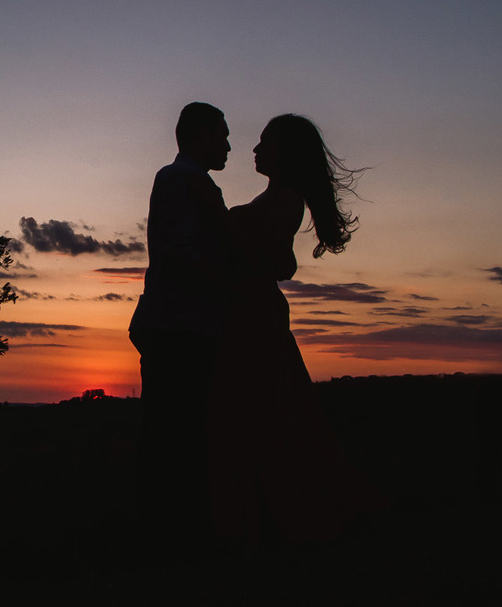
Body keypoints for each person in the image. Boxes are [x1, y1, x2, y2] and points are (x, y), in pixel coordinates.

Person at [206, 113, 378, 546]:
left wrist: (221, 220)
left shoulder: (285, 200)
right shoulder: (274, 198)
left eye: (265, 142)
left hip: (256, 316)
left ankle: (288, 518)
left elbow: (268, 259)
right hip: (244, 312)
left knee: (271, 414)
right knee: (263, 414)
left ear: (286, 152)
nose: (255, 149)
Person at [128, 101, 235, 553]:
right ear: (202, 134)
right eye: (223, 134)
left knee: (186, 435)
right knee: (174, 438)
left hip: (188, 327)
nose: (229, 145)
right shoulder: (178, 179)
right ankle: (169, 540)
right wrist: (229, 286)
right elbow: (176, 252)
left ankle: (180, 535)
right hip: (177, 329)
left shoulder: (197, 183)